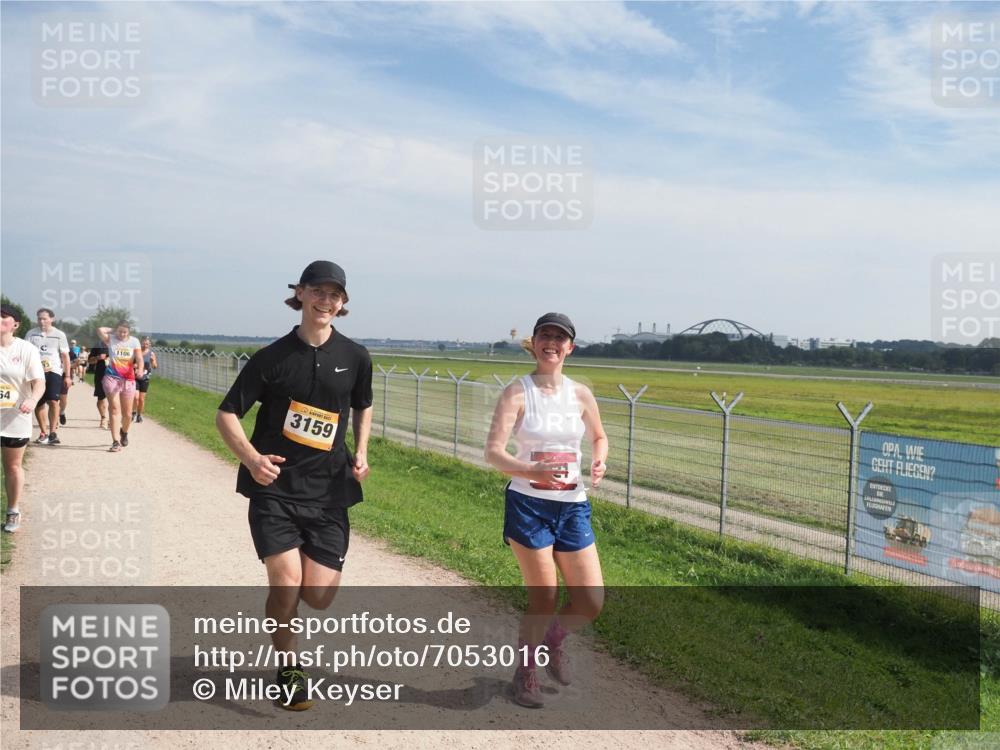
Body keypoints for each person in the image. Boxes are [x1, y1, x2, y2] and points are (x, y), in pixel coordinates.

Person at [216, 260, 373, 711]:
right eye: (318, 292)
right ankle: (289, 668)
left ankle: (286, 621)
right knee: (287, 585)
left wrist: (361, 451)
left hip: (329, 492)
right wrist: (251, 458)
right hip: (275, 488)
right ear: (300, 294)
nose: (326, 301)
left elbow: (362, 407)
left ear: (343, 304)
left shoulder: (356, 357)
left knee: (318, 596)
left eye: (335, 295)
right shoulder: (271, 358)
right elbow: (227, 414)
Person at [484, 312, 608, 709]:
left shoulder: (580, 394)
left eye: (560, 337)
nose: (552, 342)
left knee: (590, 601)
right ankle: (525, 672)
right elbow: (493, 452)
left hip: (572, 505)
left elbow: (599, 436)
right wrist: (530, 469)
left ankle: (553, 642)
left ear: (570, 347)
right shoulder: (517, 393)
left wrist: (599, 459)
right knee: (545, 595)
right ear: (534, 343)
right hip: (528, 504)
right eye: (545, 336)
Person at [1, 305, 45, 533]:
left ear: (15, 325)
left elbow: (39, 382)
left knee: (12, 466)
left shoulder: (26, 349)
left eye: (3, 317)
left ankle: (13, 511)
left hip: (15, 417)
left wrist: (33, 400)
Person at [25, 308, 71, 445]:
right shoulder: (31, 334)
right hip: (35, 373)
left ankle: (53, 433)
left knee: (53, 401)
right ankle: (43, 432)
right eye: (39, 318)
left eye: (44, 318)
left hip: (54, 371)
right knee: (38, 403)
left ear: (52, 319)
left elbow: (65, 356)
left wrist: (67, 375)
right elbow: (25, 353)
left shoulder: (59, 335)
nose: (41, 321)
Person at [97, 322, 143, 452]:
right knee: (114, 409)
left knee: (128, 414)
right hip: (111, 377)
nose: (122, 334)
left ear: (129, 332)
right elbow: (100, 328)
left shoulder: (134, 341)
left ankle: (124, 432)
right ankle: (115, 441)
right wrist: (114, 329)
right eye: (120, 332)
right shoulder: (111, 339)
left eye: (125, 332)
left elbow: (139, 358)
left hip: (128, 379)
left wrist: (140, 369)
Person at [132, 337, 157, 423]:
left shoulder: (151, 354)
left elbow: (155, 366)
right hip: (135, 377)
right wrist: (134, 365)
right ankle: (133, 413)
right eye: (143, 343)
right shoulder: (136, 352)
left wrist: (153, 361)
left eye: (147, 344)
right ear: (140, 343)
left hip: (145, 378)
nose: (145, 345)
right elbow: (130, 363)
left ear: (149, 344)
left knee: (141, 399)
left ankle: (139, 415)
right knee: (136, 397)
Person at [88, 343, 109, 430]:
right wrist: (98, 358)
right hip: (101, 374)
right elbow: (89, 360)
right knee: (101, 398)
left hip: (116, 375)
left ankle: (112, 419)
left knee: (115, 399)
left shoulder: (118, 345)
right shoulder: (98, 345)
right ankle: (103, 417)